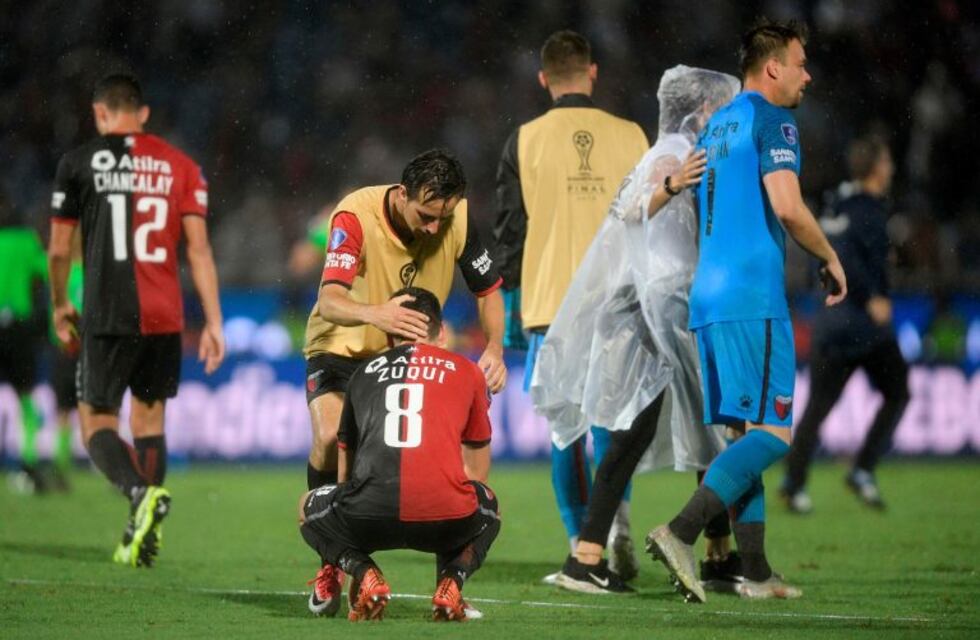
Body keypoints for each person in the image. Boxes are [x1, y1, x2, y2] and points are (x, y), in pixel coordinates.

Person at [645, 19, 847, 603]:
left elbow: (674, 197)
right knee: (776, 433)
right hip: (751, 299)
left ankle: (753, 571)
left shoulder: (715, 127)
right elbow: (787, 207)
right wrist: (830, 255)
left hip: (708, 298)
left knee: (741, 437)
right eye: (801, 63)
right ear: (773, 66)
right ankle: (682, 532)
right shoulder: (770, 118)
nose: (808, 75)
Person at [532, 66, 741, 594]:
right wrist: (669, 186)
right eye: (721, 109)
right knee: (703, 427)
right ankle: (710, 552)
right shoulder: (672, 154)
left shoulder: (671, 149)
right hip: (651, 315)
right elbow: (634, 208)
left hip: (652, 312)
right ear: (702, 112)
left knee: (655, 433)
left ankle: (592, 556)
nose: (726, 119)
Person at [48, 73, 225, 567]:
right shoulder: (183, 166)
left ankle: (137, 495)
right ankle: (143, 530)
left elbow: (61, 248)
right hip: (165, 316)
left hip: (107, 313)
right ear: (143, 114)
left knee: (96, 424)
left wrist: (61, 302)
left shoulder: (78, 163)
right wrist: (213, 321)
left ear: (100, 114)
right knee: (149, 421)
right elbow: (199, 249)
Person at [493, 29, 649, 581]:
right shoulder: (632, 134)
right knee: (615, 427)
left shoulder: (525, 139)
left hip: (550, 306)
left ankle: (584, 542)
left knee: (567, 433)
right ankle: (619, 526)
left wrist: (503, 302)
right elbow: (652, 219)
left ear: (543, 79)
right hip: (621, 301)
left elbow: (509, 234)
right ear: (593, 72)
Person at [302, 149, 505, 494]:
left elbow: (487, 292)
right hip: (342, 348)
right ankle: (328, 537)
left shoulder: (458, 219)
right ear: (401, 194)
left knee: (426, 450)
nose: (434, 228)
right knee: (328, 438)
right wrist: (376, 313)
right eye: (425, 216)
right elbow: (329, 302)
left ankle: (451, 534)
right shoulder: (355, 216)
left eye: (443, 217)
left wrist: (495, 348)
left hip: (408, 356)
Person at [299, 287, 500, 622]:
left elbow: (344, 477)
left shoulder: (363, 373)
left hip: (368, 519)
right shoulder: (468, 372)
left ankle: (363, 573)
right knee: (488, 504)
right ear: (443, 333)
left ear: (388, 337)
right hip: (443, 522)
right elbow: (476, 471)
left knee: (306, 510)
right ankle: (451, 582)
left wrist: (355, 542)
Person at [781, 137, 909, 512]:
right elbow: (851, 257)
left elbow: (826, 251)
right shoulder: (869, 209)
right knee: (898, 390)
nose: (891, 168)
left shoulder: (835, 205)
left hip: (830, 322)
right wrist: (872, 294)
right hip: (862, 326)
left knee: (818, 406)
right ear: (877, 168)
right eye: (887, 161)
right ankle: (863, 468)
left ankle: (794, 480)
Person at [0, 189, 48, 493]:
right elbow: (45, 272)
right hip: (18, 327)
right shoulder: (26, 240)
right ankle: (29, 464)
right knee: (26, 397)